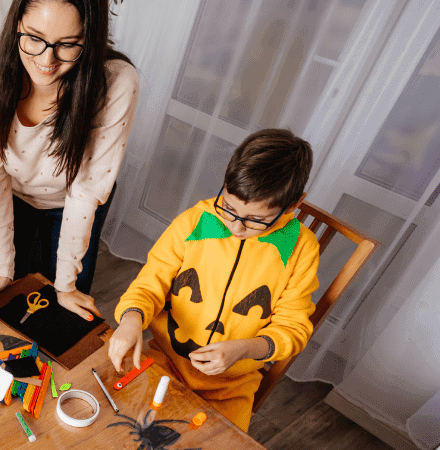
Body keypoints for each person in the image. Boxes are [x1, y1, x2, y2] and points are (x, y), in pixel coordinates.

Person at [108, 129, 319, 431]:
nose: (236, 226)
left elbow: (293, 328)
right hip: (165, 361)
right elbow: (150, 283)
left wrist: (244, 349)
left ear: (294, 205)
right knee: (119, 425)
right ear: (225, 181)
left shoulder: (302, 249)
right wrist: (131, 319)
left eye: (255, 220)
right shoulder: (196, 221)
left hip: (231, 387)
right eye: (229, 208)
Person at [0, 0, 139, 321]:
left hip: (76, 200)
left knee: (64, 303)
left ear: (90, 38)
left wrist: (65, 286)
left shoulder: (116, 82)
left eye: (68, 45)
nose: (47, 60)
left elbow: (85, 192)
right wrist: (3, 267)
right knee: (16, 290)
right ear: (16, 25)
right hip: (13, 195)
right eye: (34, 38)